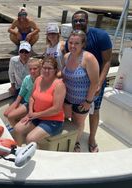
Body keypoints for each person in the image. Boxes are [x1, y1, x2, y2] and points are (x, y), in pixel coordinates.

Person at [65, 10, 112, 152]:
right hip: (78, 82)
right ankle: (75, 138)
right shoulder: (71, 39)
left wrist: (99, 83)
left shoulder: (101, 36)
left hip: (96, 79)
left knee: (94, 111)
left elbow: (108, 60)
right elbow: (67, 59)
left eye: (81, 20)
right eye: (75, 21)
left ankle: (92, 138)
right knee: (76, 114)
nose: (78, 23)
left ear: (87, 21)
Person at [13, 57, 66, 146]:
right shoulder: (38, 79)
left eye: (49, 68)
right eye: (44, 68)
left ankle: (32, 157)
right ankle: (18, 151)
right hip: (36, 116)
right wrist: (30, 112)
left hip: (53, 121)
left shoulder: (59, 85)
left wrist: (36, 114)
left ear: (55, 70)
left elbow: (56, 109)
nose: (46, 71)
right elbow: (32, 97)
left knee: (30, 138)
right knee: (17, 129)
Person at [62, 30, 99, 152]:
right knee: (67, 120)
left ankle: (76, 143)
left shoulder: (88, 58)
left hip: (82, 100)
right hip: (67, 98)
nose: (72, 46)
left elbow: (95, 83)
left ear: (83, 44)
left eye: (76, 43)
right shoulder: (66, 57)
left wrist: (88, 101)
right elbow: (63, 75)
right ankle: (68, 139)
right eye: (71, 42)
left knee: (78, 123)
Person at [4, 58, 42, 130]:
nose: (32, 71)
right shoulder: (27, 78)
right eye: (30, 69)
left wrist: (29, 114)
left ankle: (17, 131)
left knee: (10, 116)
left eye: (35, 69)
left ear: (40, 68)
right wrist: (16, 104)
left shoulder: (43, 80)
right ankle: (16, 127)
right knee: (6, 113)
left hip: (34, 105)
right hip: (26, 102)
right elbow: (21, 94)